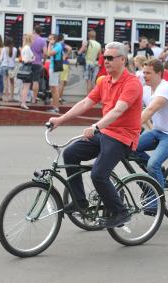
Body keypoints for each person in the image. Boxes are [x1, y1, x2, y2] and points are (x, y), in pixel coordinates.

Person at [48, 42, 143, 228]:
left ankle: (121, 212)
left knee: (99, 174)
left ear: (122, 60)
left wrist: (96, 126)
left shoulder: (132, 83)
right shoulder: (103, 81)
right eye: (104, 57)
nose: (105, 61)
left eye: (110, 58)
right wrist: (60, 120)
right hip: (105, 133)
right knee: (70, 154)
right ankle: (79, 201)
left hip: (122, 137)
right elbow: (85, 103)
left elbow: (118, 110)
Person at [135, 59, 168, 191]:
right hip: (158, 132)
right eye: (143, 73)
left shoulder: (166, 88)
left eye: (148, 73)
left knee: (153, 164)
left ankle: (156, 202)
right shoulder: (145, 89)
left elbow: (150, 110)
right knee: (130, 147)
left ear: (159, 74)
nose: (144, 76)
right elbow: (134, 109)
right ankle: (155, 173)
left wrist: (132, 126)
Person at [78, 29, 102, 94]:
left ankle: (88, 98)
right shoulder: (98, 44)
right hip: (93, 64)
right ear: (95, 36)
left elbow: (80, 52)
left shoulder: (86, 42)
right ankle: (92, 97)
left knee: (88, 82)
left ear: (88, 36)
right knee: (92, 82)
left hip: (87, 64)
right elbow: (99, 55)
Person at [47, 34, 63, 113]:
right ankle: (54, 107)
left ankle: (56, 108)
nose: (49, 40)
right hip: (52, 68)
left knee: (54, 88)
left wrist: (49, 44)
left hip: (54, 69)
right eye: (49, 39)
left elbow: (49, 53)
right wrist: (50, 44)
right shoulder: (55, 45)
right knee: (53, 88)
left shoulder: (58, 46)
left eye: (50, 39)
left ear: (55, 39)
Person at [31, 25, 47, 104]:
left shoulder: (30, 38)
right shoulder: (42, 40)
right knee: (35, 81)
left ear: (34, 30)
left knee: (26, 82)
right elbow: (45, 53)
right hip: (37, 63)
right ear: (40, 32)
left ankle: (25, 98)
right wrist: (43, 60)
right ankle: (34, 98)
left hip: (28, 62)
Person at [0, 36, 17, 102]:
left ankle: (6, 97)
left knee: (5, 82)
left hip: (4, 66)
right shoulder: (15, 49)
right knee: (12, 82)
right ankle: (11, 97)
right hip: (11, 66)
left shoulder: (3, 49)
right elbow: (14, 58)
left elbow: (1, 59)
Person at [19, 34, 35, 110]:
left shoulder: (24, 48)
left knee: (24, 86)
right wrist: (33, 59)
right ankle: (23, 103)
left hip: (24, 68)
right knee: (26, 87)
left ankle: (22, 102)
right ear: (30, 39)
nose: (34, 40)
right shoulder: (28, 48)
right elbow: (25, 60)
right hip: (27, 68)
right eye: (32, 39)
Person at [58, 34, 72, 104]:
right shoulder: (61, 44)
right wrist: (66, 56)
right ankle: (59, 98)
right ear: (63, 38)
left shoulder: (56, 45)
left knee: (62, 82)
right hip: (64, 64)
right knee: (62, 82)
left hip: (60, 64)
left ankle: (59, 97)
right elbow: (70, 48)